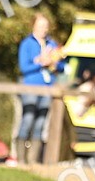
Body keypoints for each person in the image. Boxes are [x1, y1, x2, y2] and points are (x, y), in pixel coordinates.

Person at [15, 13, 63, 164]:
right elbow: (24, 67)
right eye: (41, 25)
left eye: (46, 26)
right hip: (31, 87)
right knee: (28, 120)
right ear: (34, 26)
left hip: (47, 88)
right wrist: (41, 62)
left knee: (41, 124)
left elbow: (61, 67)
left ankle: (33, 160)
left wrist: (56, 61)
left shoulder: (52, 44)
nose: (44, 29)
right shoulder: (27, 44)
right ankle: (21, 159)